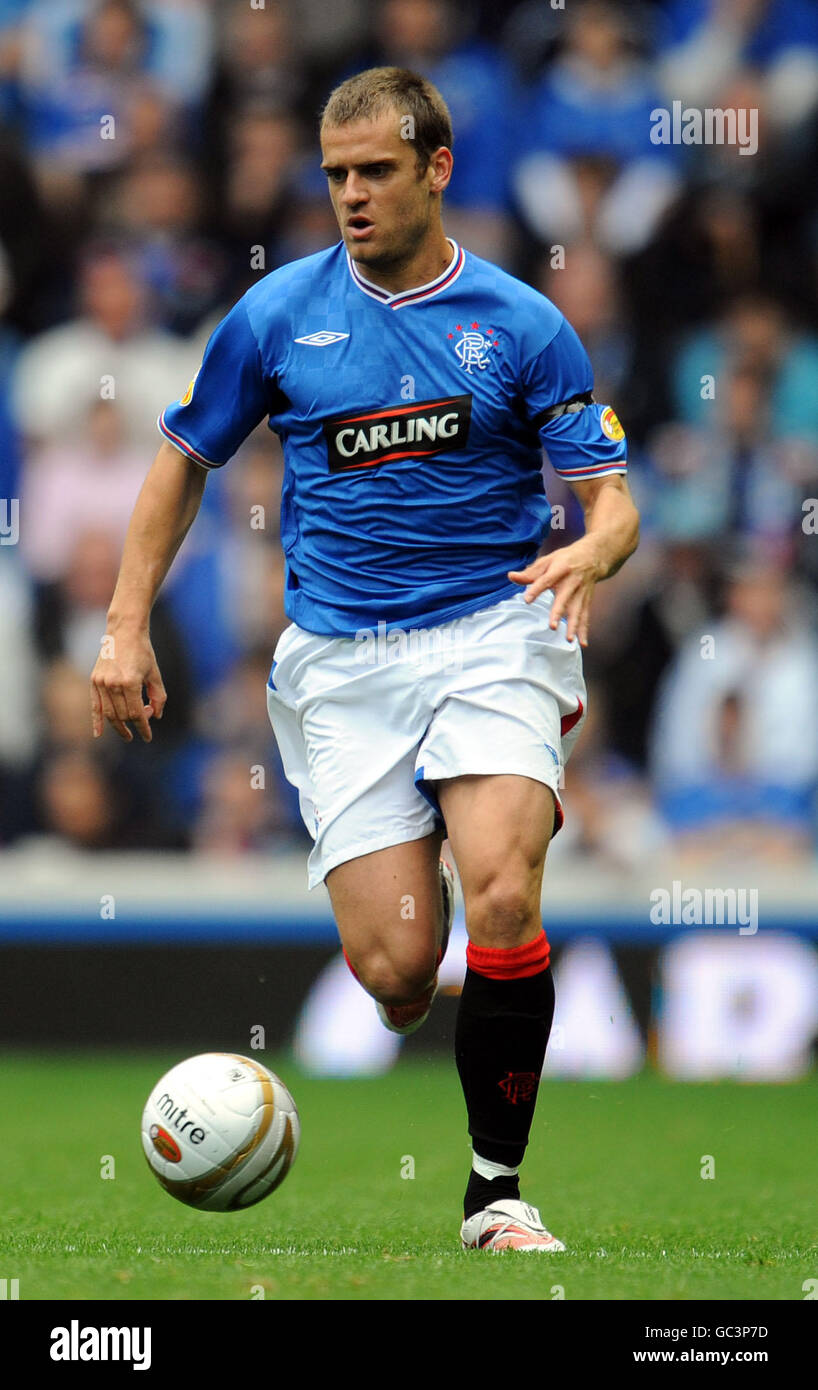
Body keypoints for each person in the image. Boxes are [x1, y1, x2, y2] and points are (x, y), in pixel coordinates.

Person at [90, 67, 639, 1253]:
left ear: (436, 170)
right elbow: (184, 458)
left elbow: (612, 505)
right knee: (395, 972)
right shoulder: (278, 316)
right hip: (343, 662)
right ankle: (426, 856)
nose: (350, 194)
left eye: (375, 171)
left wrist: (589, 555)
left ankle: (494, 1193)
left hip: (492, 630)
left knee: (501, 884)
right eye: (334, 174)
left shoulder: (520, 322)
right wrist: (127, 619)